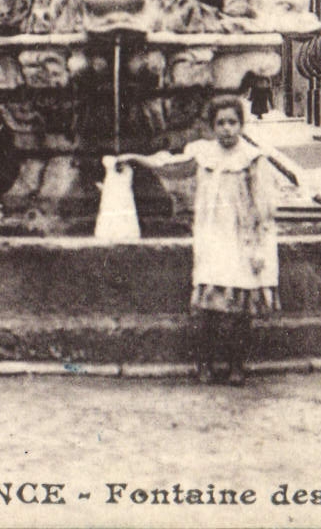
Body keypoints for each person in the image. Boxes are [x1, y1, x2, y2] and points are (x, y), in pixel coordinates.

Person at [118, 96, 310, 384]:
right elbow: (169, 165)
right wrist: (135, 158)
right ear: (211, 127)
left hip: (243, 238)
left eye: (232, 122)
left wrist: (258, 242)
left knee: (240, 309)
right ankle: (204, 362)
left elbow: (264, 203)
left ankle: (236, 364)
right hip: (212, 237)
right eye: (220, 123)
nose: (227, 129)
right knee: (208, 307)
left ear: (241, 124)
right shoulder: (203, 153)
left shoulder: (252, 157)